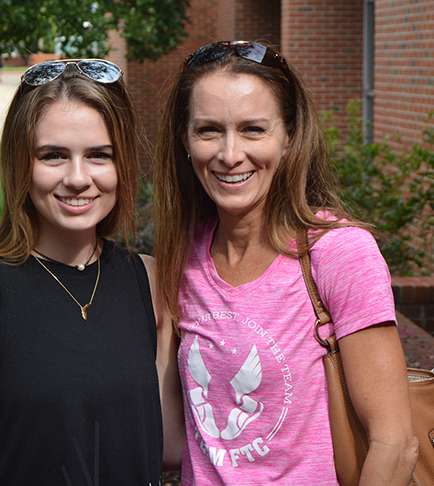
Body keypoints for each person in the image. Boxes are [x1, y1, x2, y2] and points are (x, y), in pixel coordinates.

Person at [153, 40, 418, 484]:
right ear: (185, 137)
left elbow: (394, 442)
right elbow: (177, 440)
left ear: (289, 136)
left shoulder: (337, 253)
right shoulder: (183, 255)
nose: (230, 153)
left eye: (254, 129)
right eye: (209, 130)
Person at [0, 59, 184, 485]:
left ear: (123, 164)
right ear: (21, 163)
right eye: (53, 155)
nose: (78, 178)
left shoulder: (150, 282)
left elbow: (167, 444)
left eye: (99, 155)